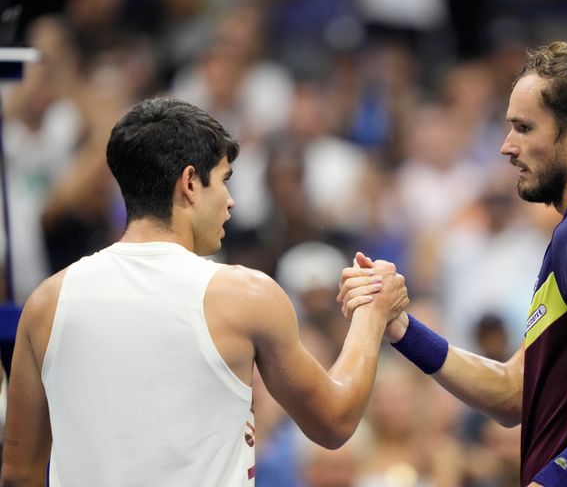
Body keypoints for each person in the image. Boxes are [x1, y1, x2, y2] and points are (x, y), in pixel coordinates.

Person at [0, 97, 408, 487]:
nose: (230, 202)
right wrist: (371, 314)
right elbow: (334, 421)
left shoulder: (46, 302)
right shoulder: (246, 296)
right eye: (224, 181)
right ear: (191, 183)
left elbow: (18, 475)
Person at [339, 41, 567, 486]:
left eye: (524, 128)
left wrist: (552, 480)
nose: (506, 147)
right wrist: (401, 327)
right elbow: (514, 391)